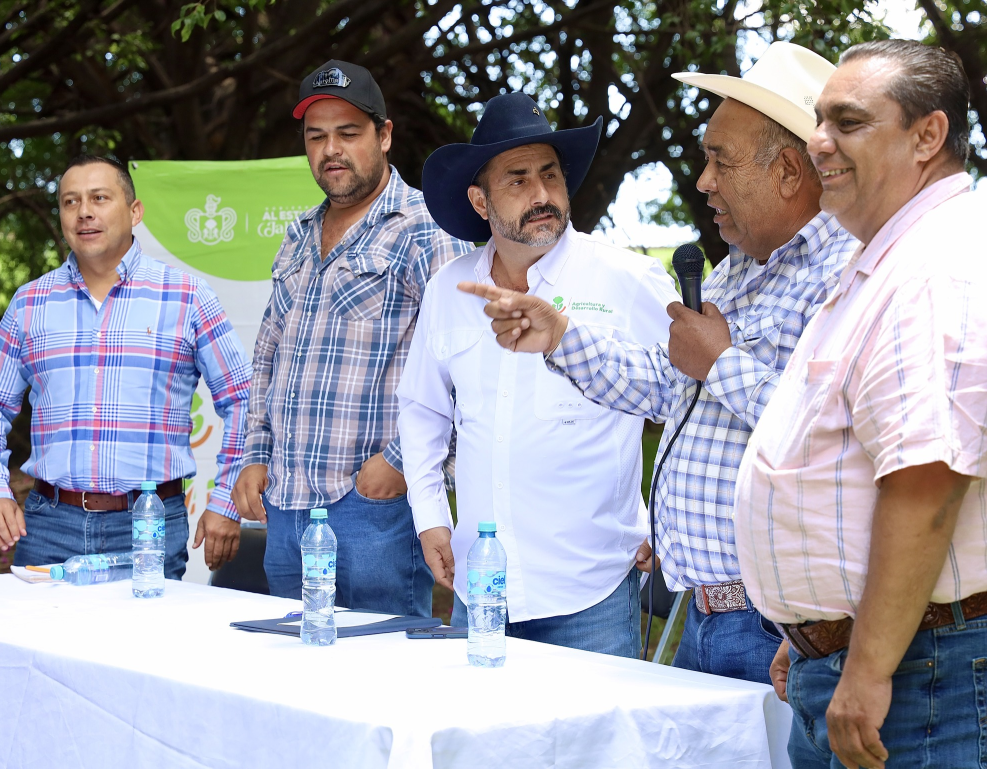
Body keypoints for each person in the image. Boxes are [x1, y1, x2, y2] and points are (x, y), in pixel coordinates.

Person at [460, 43, 857, 680]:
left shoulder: (845, 274)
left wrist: (720, 362)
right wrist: (561, 336)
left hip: (785, 627)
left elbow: (838, 429)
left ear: (788, 171)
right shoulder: (742, 269)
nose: (702, 182)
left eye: (719, 161)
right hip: (710, 616)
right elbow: (663, 382)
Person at [735, 40, 987, 769]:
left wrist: (867, 665)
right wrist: (810, 630)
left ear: (928, 135)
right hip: (876, 664)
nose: (819, 143)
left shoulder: (933, 267)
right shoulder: (889, 256)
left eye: (847, 121)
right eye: (818, 120)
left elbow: (926, 481)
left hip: (915, 678)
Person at [397, 92, 680, 658]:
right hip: (482, 590)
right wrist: (430, 515)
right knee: (481, 746)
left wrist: (664, 518)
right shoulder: (448, 290)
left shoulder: (628, 279)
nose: (543, 195)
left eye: (551, 175)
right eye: (518, 180)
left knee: (596, 749)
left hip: (592, 589)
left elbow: (687, 399)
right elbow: (423, 410)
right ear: (480, 201)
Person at [232, 60, 469, 614]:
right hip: (288, 508)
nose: (330, 149)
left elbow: (466, 366)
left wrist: (401, 465)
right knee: (295, 669)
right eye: (316, 137)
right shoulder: (297, 236)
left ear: (384, 136)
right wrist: (257, 453)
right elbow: (268, 358)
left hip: (373, 512)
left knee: (379, 679)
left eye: (348, 133)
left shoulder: (424, 230)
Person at [0, 155, 251, 576]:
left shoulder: (187, 296)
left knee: (141, 644)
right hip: (48, 525)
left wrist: (226, 500)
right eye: (70, 202)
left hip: (149, 526)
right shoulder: (30, 304)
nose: (84, 212)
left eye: (100, 197)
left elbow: (245, 399)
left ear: (134, 211)